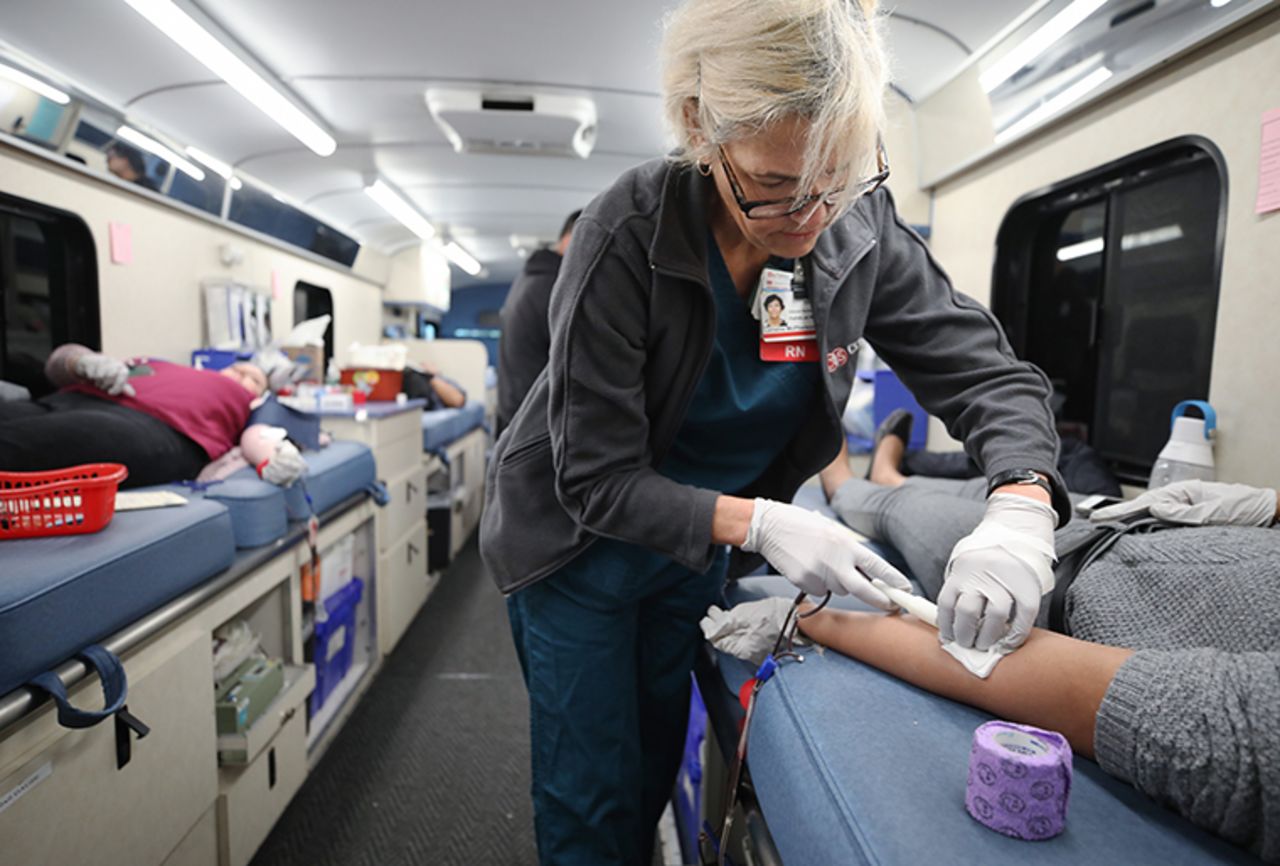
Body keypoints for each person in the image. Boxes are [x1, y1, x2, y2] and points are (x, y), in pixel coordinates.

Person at [480, 1, 1072, 862]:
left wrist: (1022, 505)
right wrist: (762, 522)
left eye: (840, 177)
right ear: (698, 129)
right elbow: (595, 479)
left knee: (647, 768)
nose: (811, 216)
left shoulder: (855, 222)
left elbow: (987, 374)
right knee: (590, 798)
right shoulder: (629, 233)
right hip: (576, 546)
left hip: (690, 550)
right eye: (774, 188)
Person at [725, 476, 1279, 861]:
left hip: (1056, 576)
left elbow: (1002, 666)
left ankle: (848, 482)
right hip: (1134, 516)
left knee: (900, 506)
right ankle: (881, 474)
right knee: (956, 492)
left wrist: (812, 618)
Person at [0, 343, 302, 488]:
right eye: (236, 369)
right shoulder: (163, 364)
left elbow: (260, 434)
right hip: (72, 397)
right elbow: (57, 367)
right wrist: (82, 362)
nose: (239, 375)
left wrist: (270, 456)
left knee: (23, 444)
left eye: (253, 378)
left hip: (159, 427)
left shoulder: (253, 403)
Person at [495, 209, 581, 434]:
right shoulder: (553, 288)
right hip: (532, 425)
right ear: (569, 240)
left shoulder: (529, 278)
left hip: (515, 414)